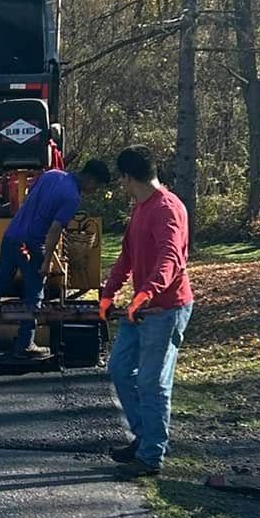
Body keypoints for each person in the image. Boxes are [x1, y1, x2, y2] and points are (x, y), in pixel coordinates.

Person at [99, 147, 193, 475]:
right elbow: (126, 256)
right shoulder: (140, 208)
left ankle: (151, 456)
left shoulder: (167, 209)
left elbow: (171, 259)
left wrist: (145, 295)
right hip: (141, 308)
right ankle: (143, 436)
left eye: (121, 179)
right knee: (121, 369)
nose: (121, 184)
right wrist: (108, 295)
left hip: (166, 309)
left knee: (152, 382)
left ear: (127, 177)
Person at [0, 158, 112, 357]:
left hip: (11, 236)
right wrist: (47, 261)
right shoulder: (72, 197)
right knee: (35, 293)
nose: (94, 190)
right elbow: (55, 229)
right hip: (31, 244)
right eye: (96, 186)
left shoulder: (51, 175)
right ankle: (24, 344)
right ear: (90, 179)